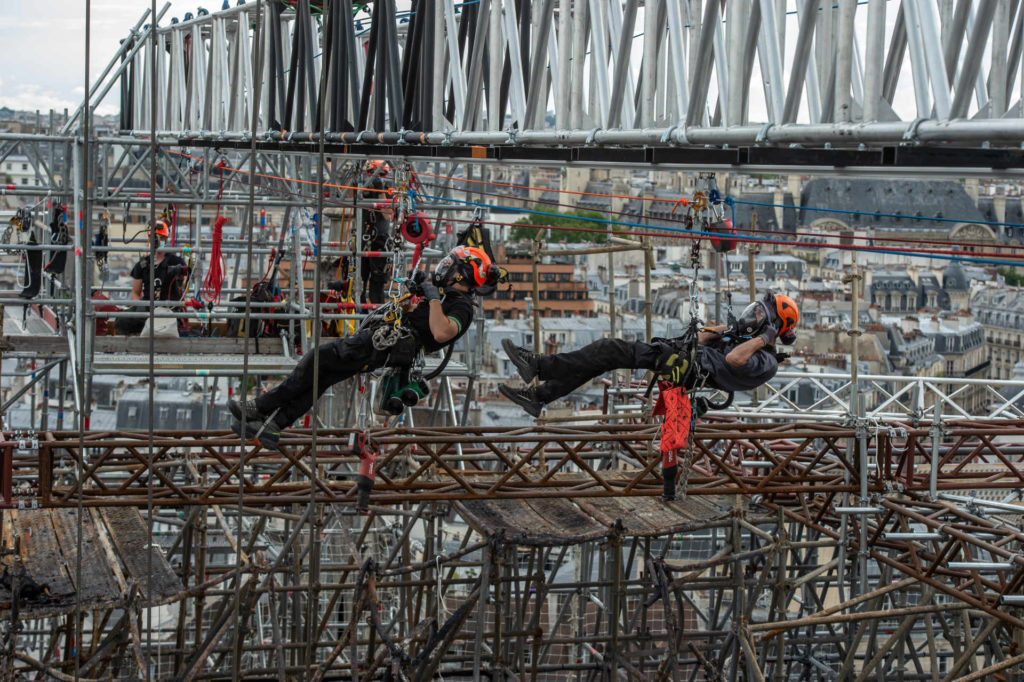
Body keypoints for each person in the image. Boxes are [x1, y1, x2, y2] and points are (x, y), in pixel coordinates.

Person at [228, 245, 499, 450]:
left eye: (451, 266)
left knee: (315, 360)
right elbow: (421, 319)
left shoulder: (462, 306)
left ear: (463, 273)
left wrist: (432, 300)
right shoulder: (448, 298)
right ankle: (273, 426)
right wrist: (417, 299)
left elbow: (441, 333)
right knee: (321, 377)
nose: (444, 269)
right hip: (385, 344)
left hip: (382, 346)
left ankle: (259, 407)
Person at [499, 292, 800, 417]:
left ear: (773, 327)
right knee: (603, 359)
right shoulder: (745, 340)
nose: (754, 316)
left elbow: (734, 361)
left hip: (686, 367)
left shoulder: (766, 360)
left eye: (760, 315)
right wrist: (734, 327)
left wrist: (762, 338)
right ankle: (540, 397)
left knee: (608, 349)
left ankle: (539, 366)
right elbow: (699, 337)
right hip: (682, 359)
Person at [115, 219, 188, 336]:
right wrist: (139, 309)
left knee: (166, 324)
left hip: (168, 308)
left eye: (161, 237)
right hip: (147, 307)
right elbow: (135, 292)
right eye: (155, 237)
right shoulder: (143, 264)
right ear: (149, 239)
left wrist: (184, 278)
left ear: (166, 239)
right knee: (121, 320)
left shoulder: (176, 262)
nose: (159, 240)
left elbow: (184, 284)